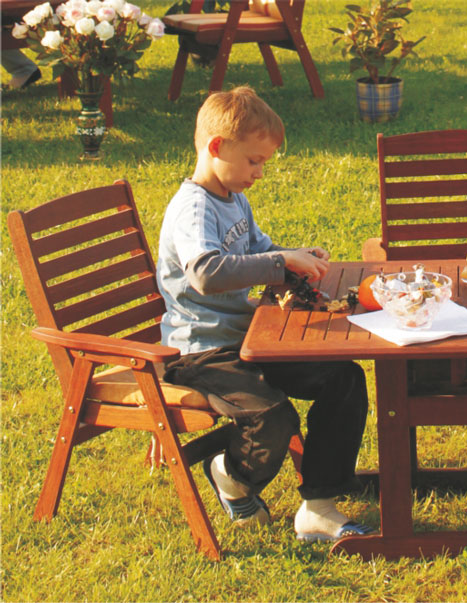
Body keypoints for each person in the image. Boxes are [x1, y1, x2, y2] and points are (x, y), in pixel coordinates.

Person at [156, 86, 373, 542]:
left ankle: (318, 508)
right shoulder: (193, 209)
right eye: (254, 161)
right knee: (273, 417)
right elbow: (206, 273)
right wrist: (279, 262)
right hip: (201, 352)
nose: (259, 172)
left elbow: (258, 249)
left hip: (247, 338)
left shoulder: (232, 196)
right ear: (217, 147)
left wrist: (294, 257)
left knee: (344, 378)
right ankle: (230, 474)